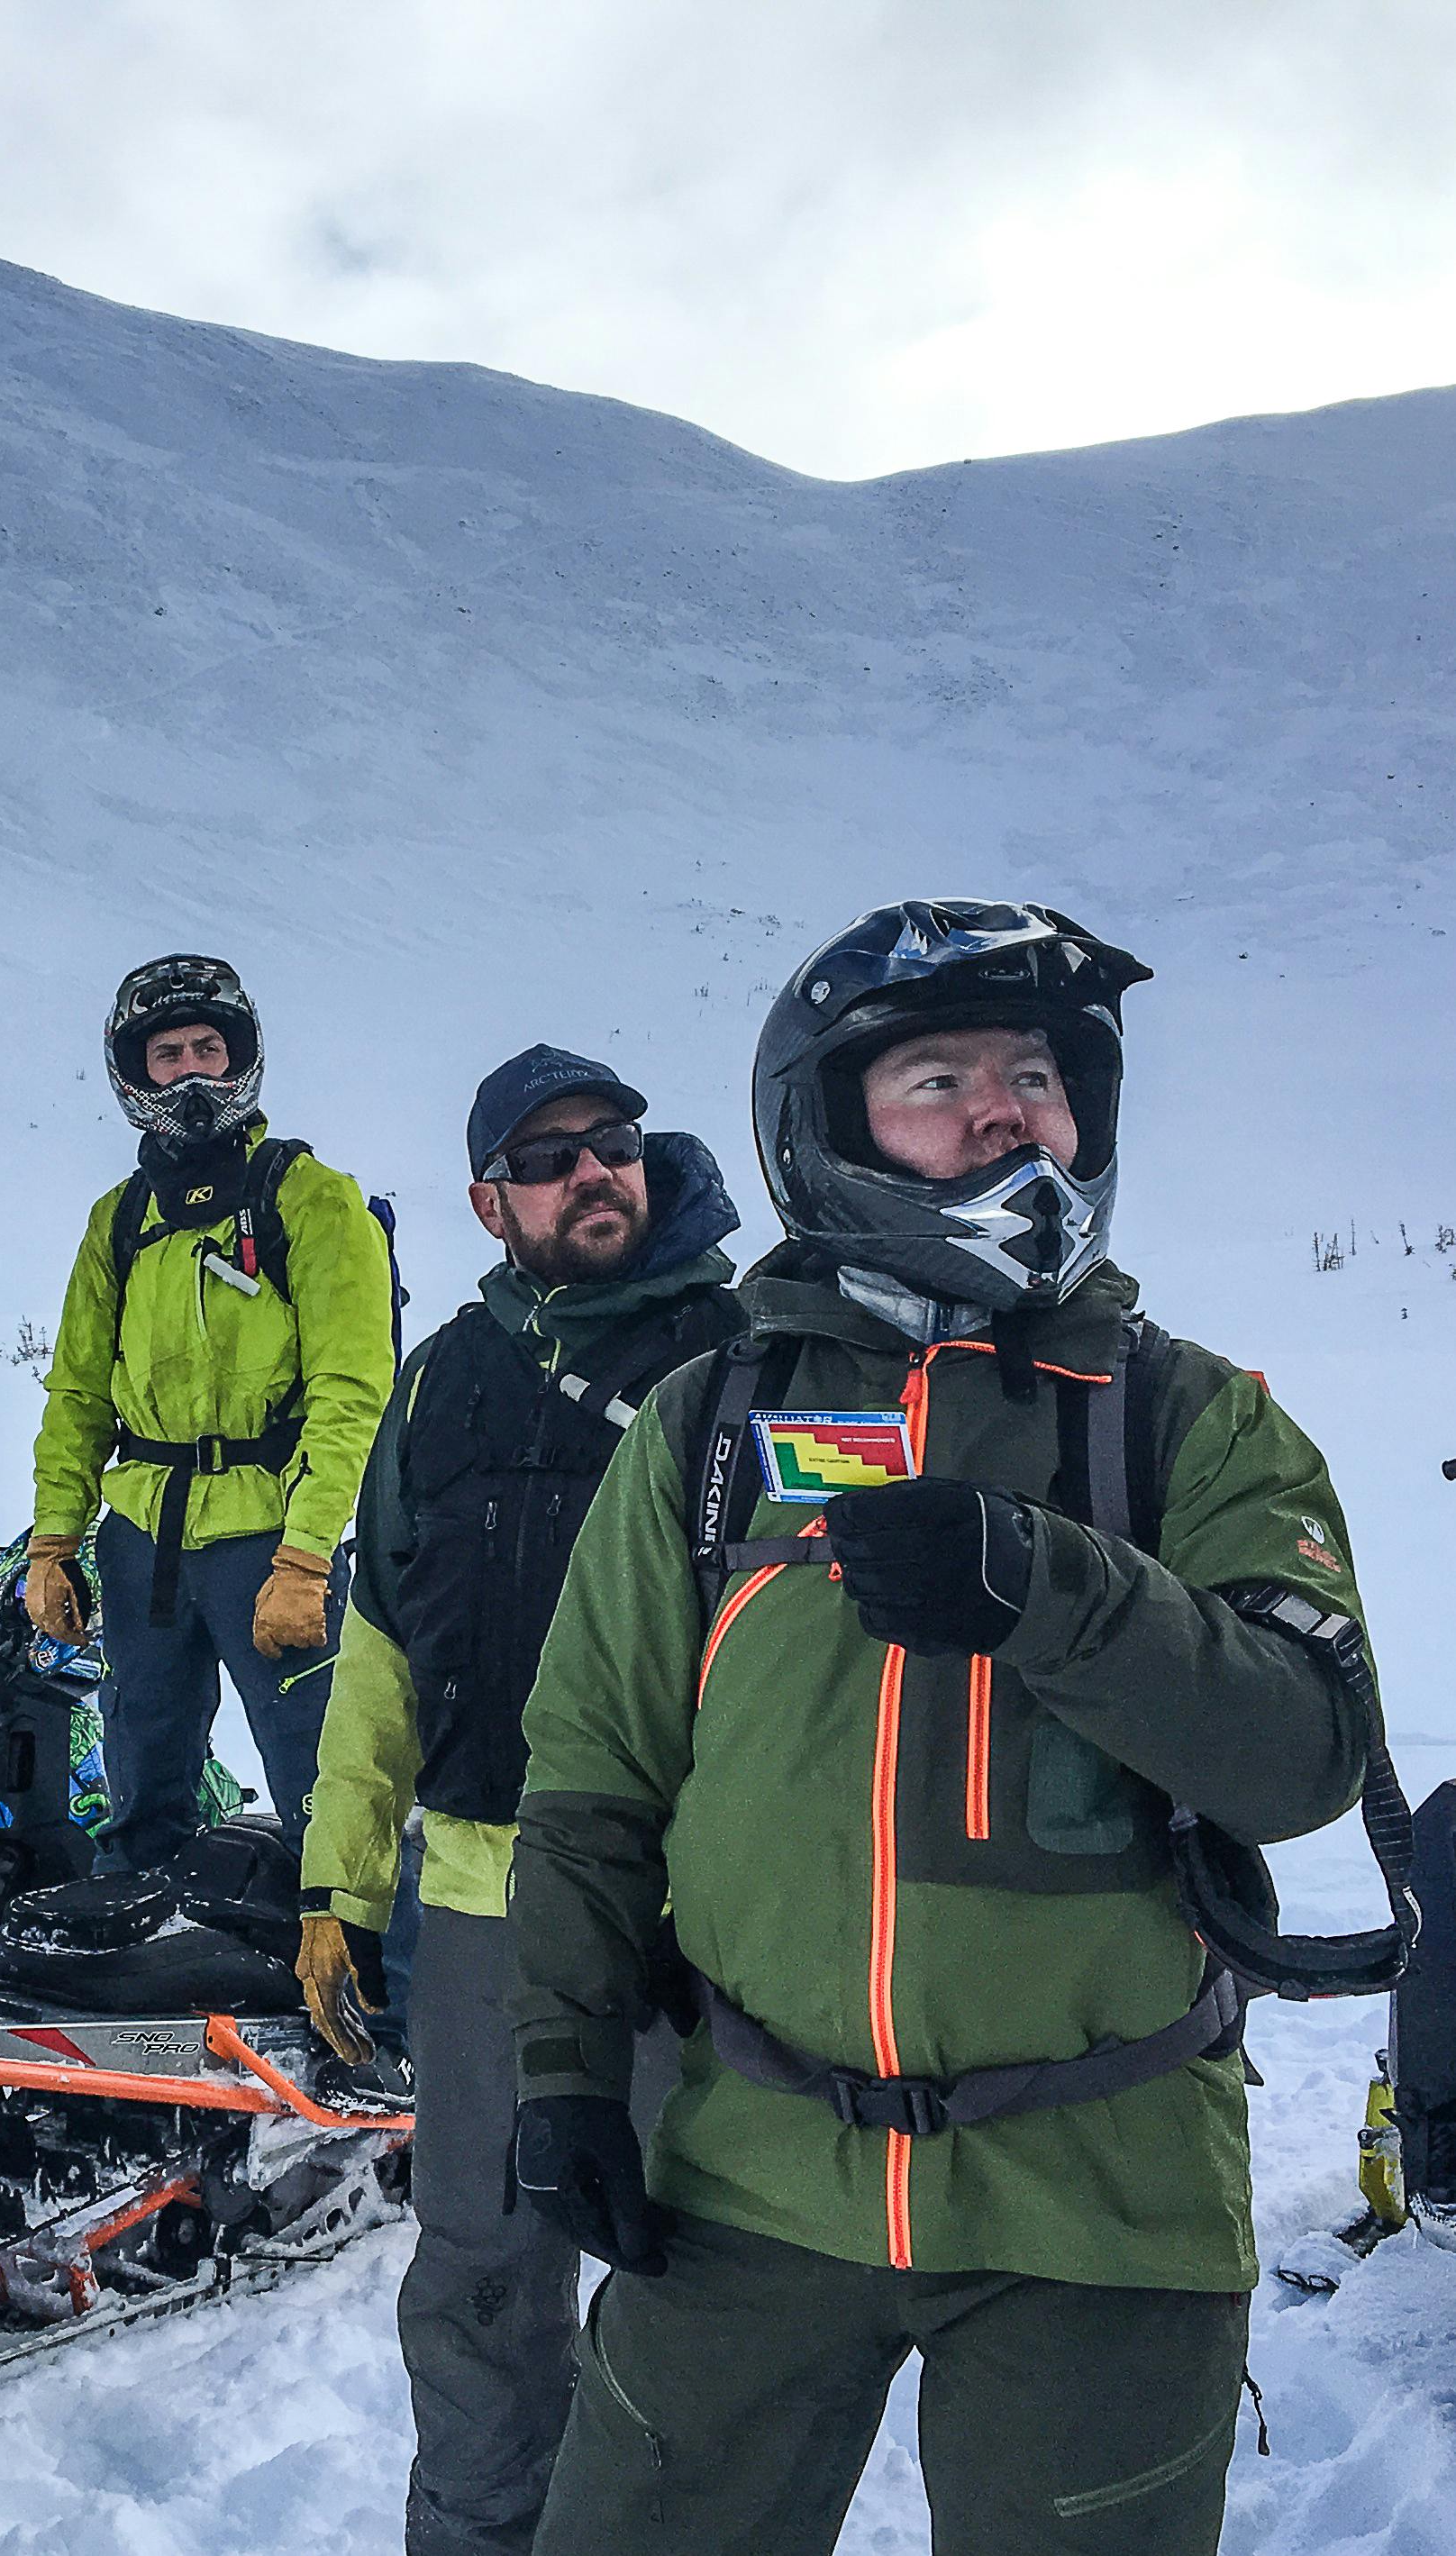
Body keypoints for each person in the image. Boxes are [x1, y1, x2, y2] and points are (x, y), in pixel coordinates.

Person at [508, 902, 1385, 2556]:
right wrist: (559, 2074)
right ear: (826, 1127)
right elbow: (591, 1786)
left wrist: (1053, 1590)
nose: (1006, 1114)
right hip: (749, 2182)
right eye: (939, 1077)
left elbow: (1304, 1756)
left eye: (1036, 1075)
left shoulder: (1189, 1420)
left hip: (1104, 2207)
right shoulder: (716, 1423)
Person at [296, 1048, 747, 2556]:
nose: (590, 1171)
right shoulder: (439, 1378)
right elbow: (376, 1655)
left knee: (696, 2277)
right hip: (485, 1909)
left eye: (610, 1142)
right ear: (489, 1200)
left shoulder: (742, 1354)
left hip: (698, 1917)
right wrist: (339, 1890)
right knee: (481, 2270)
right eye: (546, 1158)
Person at [23, 953, 395, 1868]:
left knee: (328, 1797)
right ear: (132, 1072)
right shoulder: (119, 1219)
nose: (189, 1070)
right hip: (142, 1537)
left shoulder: (308, 1197)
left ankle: (376, 1997)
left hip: (268, 1539)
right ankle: (143, 1981)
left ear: (241, 1059)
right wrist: (52, 1542)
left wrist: (307, 1554)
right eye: (166, 1053)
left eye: (206, 1047)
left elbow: (351, 1391)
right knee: (139, 1793)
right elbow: (75, 1391)